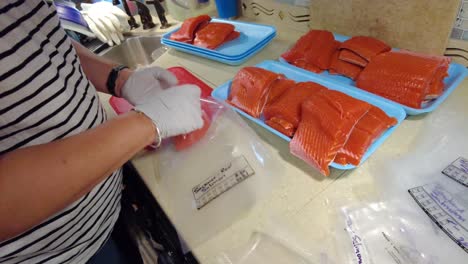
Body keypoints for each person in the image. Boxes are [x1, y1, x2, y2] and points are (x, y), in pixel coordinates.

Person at [0, 0, 203, 263]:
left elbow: (38, 42)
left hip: (107, 216)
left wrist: (118, 78)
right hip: (53, 255)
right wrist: (145, 123)